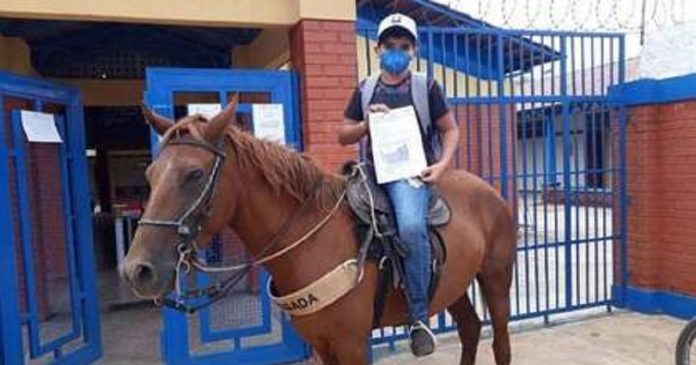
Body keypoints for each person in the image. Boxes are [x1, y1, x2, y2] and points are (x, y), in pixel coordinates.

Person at [337, 12, 459, 357]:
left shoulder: (426, 87)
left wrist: (441, 166)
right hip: (372, 173)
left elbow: (450, 129)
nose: (396, 51)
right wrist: (364, 125)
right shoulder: (365, 89)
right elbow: (342, 134)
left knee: (408, 227)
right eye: (389, 45)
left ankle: (418, 318)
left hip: (411, 176)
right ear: (377, 48)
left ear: (414, 50)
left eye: (403, 46)